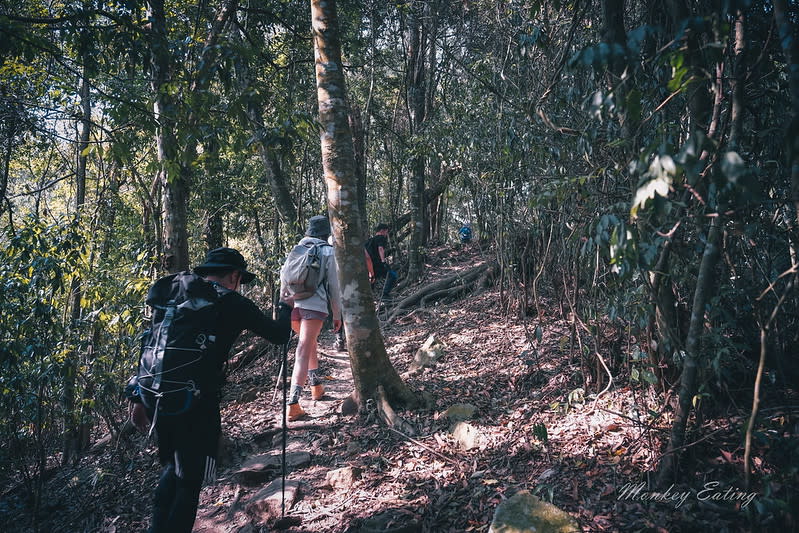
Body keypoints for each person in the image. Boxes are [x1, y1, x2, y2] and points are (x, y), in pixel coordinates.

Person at [129, 247, 292, 533]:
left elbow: (150, 343)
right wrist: (286, 306)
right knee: (190, 481)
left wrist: (136, 398)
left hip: (155, 396)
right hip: (197, 403)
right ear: (234, 275)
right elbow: (279, 335)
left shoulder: (175, 295)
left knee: (172, 468)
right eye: (239, 279)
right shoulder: (234, 303)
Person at [280, 215, 342, 420]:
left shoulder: (297, 249)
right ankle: (293, 403)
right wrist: (337, 314)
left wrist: (284, 306)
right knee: (303, 350)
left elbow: (284, 277)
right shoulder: (327, 251)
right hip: (314, 306)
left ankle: (316, 387)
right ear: (326, 234)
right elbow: (334, 286)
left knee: (309, 344)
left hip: (293, 305)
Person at [331, 235, 375, 352]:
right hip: (354, 281)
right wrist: (371, 273)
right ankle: (359, 339)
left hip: (334, 282)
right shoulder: (354, 240)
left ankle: (339, 339)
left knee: (337, 311)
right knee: (355, 308)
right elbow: (367, 258)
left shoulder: (330, 243)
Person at [365, 223, 397, 301]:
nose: (386, 234)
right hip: (378, 264)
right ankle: (385, 295)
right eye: (386, 232)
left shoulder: (369, 241)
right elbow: (380, 248)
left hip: (370, 265)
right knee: (393, 275)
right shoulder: (381, 238)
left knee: (372, 280)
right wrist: (383, 261)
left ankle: (369, 299)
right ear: (382, 231)